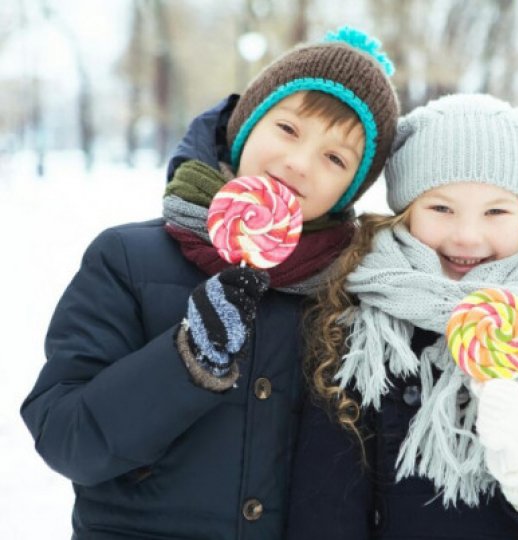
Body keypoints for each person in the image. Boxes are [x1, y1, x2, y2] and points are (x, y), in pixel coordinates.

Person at [20, 27, 399, 540]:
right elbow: (66, 438)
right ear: (246, 125)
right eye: (288, 129)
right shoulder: (126, 259)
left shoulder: (347, 299)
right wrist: (186, 360)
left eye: (336, 159)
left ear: (349, 190)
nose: (299, 163)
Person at [287, 94, 518, 539]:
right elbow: (324, 503)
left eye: (496, 211)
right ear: (406, 210)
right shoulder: (360, 315)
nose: (467, 236)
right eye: (441, 208)